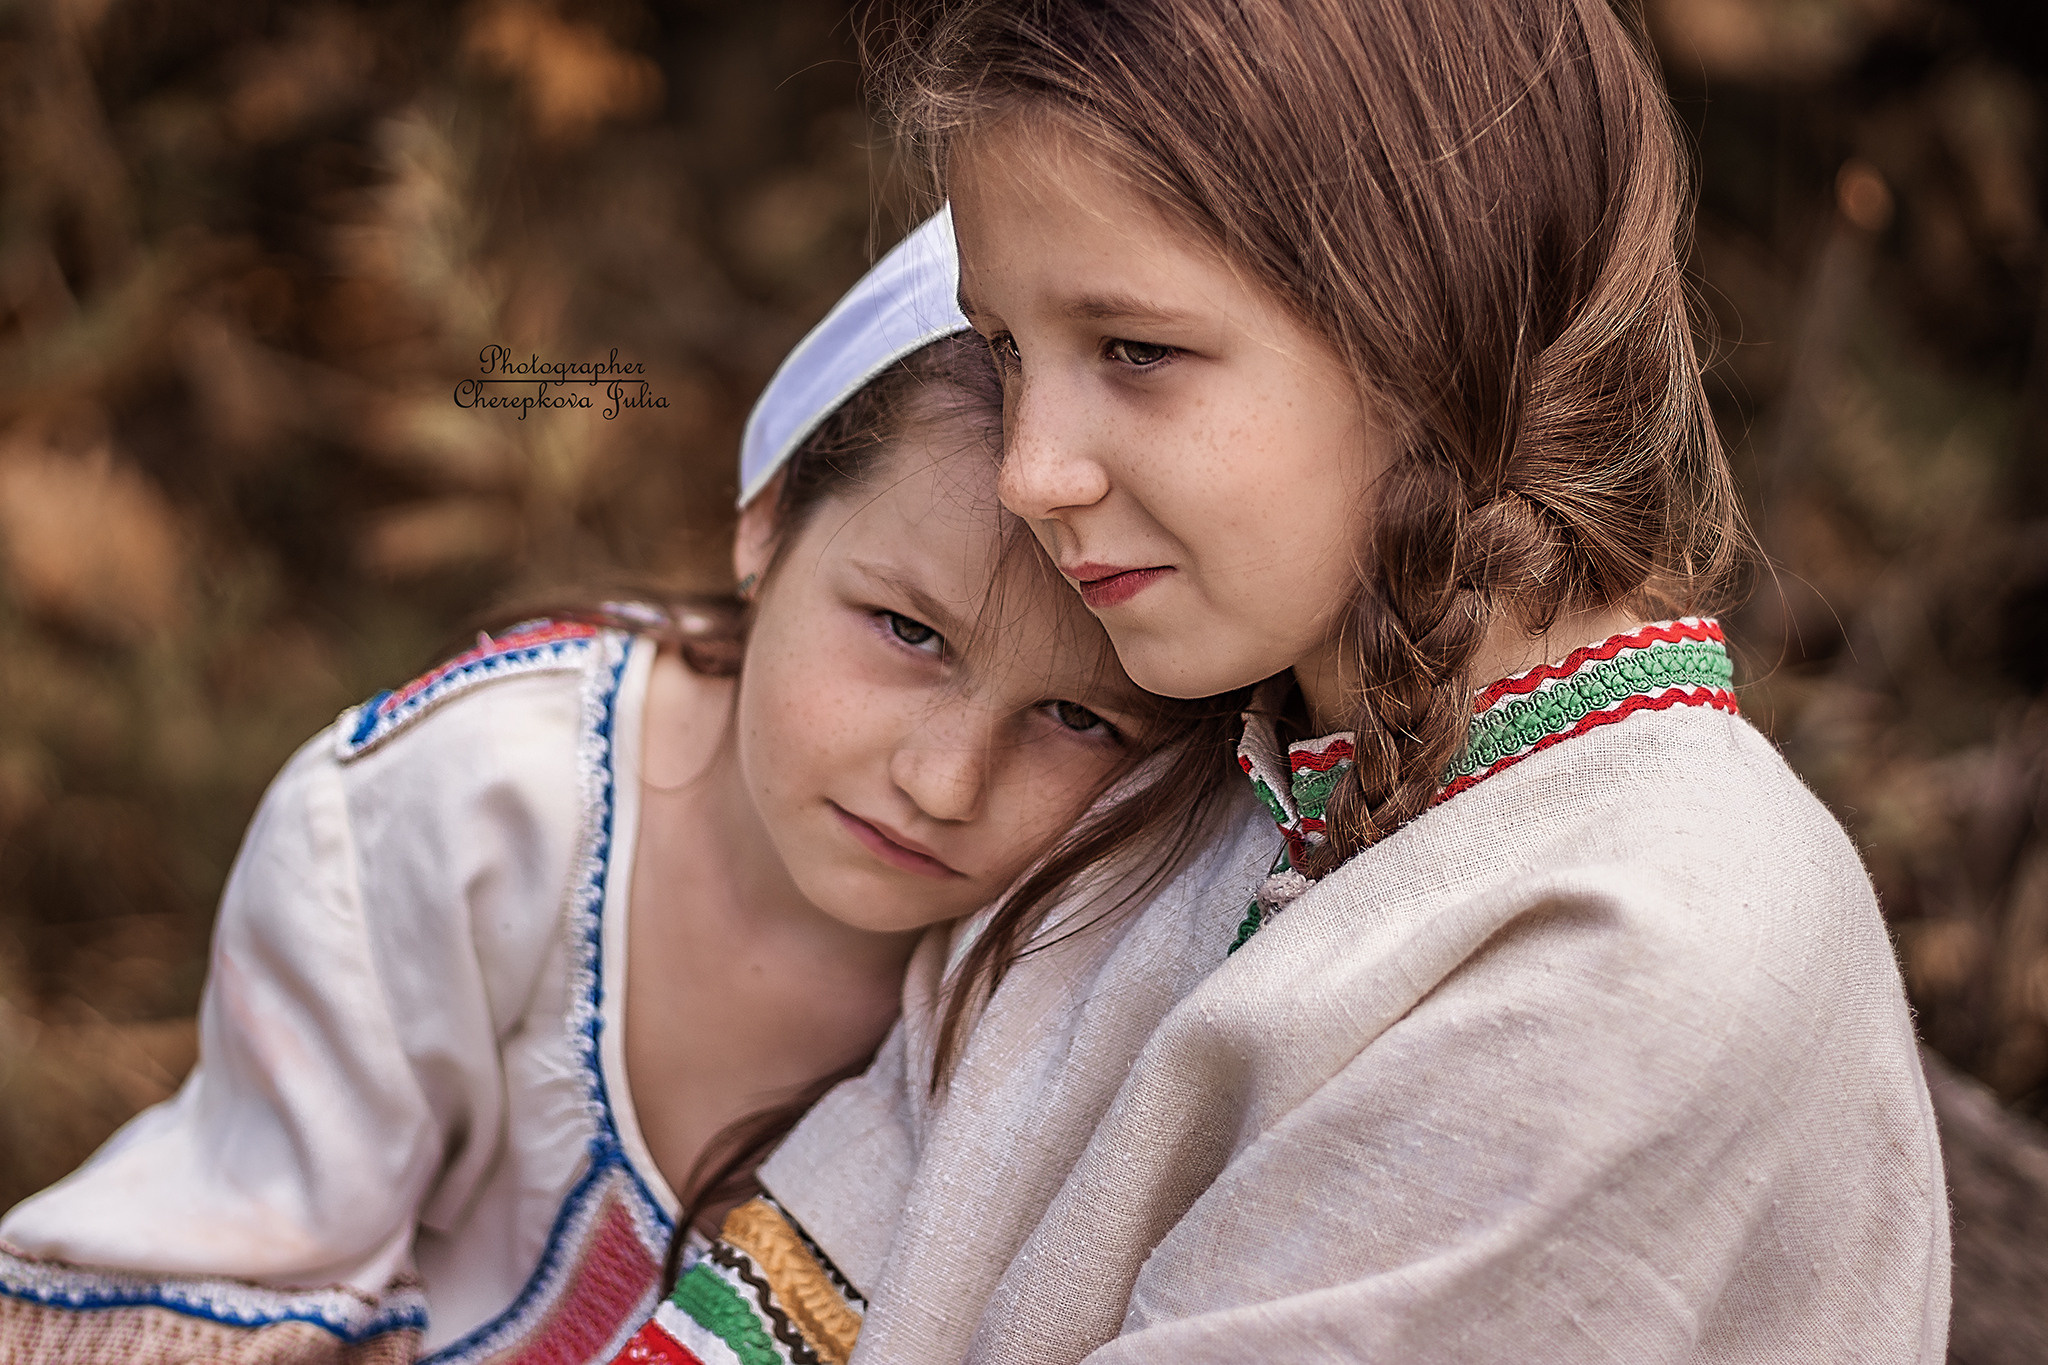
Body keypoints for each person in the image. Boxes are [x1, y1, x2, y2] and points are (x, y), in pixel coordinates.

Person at [615, 3, 1951, 1362]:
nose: (1030, 471)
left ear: (1432, 322)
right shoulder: (1201, 785)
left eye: (1134, 350)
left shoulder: (1648, 941)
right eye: (1006, 349)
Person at [0, 213, 1256, 1365]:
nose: (942, 781)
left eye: (1079, 718)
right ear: (766, 523)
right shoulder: (479, 808)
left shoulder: (1105, 943)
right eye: (904, 631)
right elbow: (256, 1252)